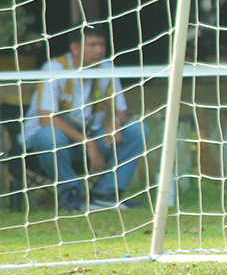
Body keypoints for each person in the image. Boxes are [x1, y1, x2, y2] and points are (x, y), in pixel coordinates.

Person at [23, 24, 148, 212]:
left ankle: (106, 194)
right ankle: (72, 195)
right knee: (49, 135)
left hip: (89, 143)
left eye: (102, 45)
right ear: (75, 48)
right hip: (48, 148)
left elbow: (121, 111)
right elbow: (46, 119)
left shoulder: (107, 68)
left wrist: (116, 123)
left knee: (138, 129)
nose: (99, 50)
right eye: (93, 45)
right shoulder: (54, 68)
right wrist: (88, 142)